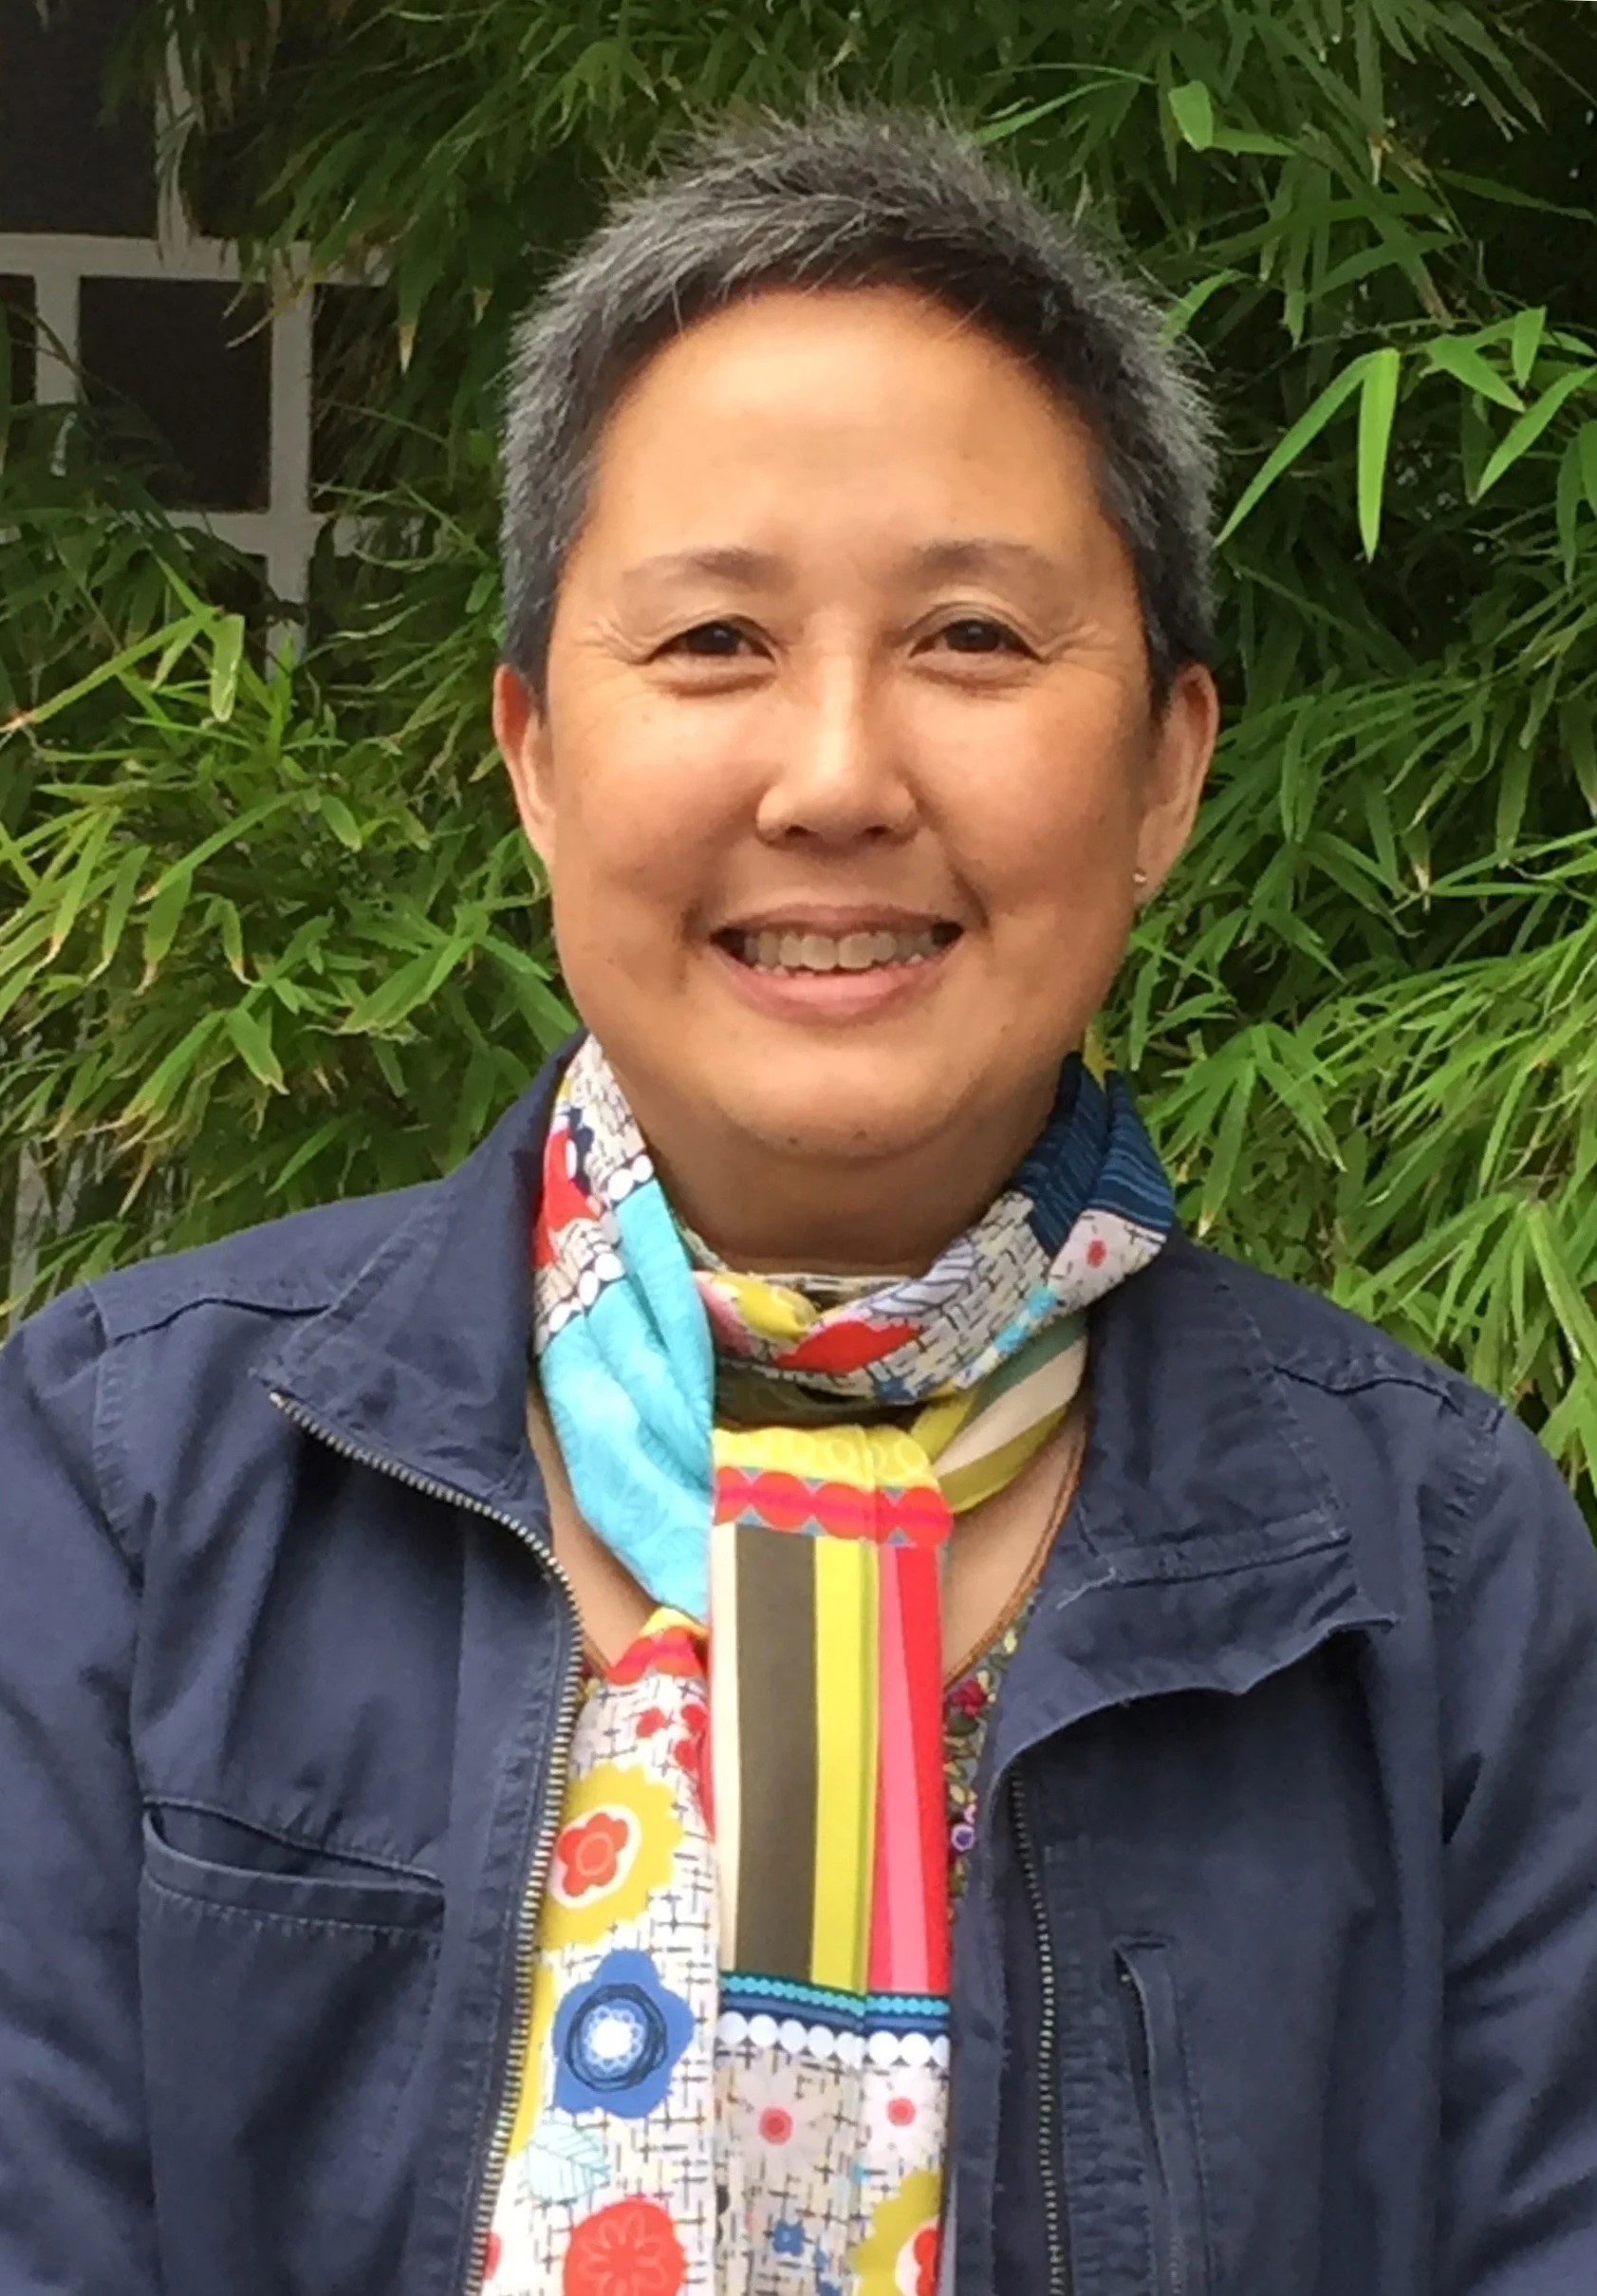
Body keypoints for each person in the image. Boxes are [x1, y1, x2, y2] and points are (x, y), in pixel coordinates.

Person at [1, 108, 1594, 2296]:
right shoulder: (121, 1481)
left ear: (1166, 767)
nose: (835, 775)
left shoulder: (1438, 1568)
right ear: (532, 755)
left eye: (970, 635)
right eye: (714, 642)